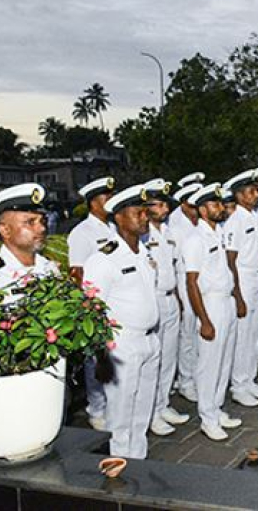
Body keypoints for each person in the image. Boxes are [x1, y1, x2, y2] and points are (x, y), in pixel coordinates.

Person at [83, 184, 160, 459]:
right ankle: (117, 465)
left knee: (142, 412)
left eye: (145, 212)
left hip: (150, 339)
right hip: (121, 342)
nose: (144, 217)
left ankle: (137, 460)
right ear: (118, 217)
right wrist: (101, 356)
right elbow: (91, 308)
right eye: (137, 212)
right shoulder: (104, 259)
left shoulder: (144, 252)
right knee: (121, 415)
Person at [181, 183, 243, 441]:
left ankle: (217, 408)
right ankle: (207, 416)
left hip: (225, 301)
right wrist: (204, 319)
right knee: (209, 363)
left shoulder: (218, 233)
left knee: (225, 359)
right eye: (215, 204)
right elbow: (191, 282)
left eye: (220, 204)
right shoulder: (195, 240)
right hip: (211, 304)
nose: (221, 208)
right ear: (203, 209)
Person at [141, 179, 190, 437]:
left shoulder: (167, 232)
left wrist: (180, 300)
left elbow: (176, 268)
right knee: (154, 359)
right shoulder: (141, 234)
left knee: (169, 357)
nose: (164, 209)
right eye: (158, 204)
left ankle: (162, 404)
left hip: (171, 297)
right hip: (154, 299)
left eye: (165, 204)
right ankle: (150, 412)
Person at [67, 176, 116, 431]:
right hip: (95, 303)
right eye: (105, 197)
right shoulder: (82, 233)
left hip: (116, 300)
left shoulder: (115, 228)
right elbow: (77, 273)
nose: (110, 200)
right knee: (95, 359)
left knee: (112, 356)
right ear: (92, 202)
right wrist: (87, 308)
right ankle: (96, 409)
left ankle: (112, 405)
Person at [224, 167, 258, 407]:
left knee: (254, 333)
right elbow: (230, 260)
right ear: (240, 195)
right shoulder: (235, 221)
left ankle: (250, 380)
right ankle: (239, 385)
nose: (257, 195)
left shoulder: (255, 217)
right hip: (241, 278)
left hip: (254, 277)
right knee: (242, 336)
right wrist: (238, 295)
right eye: (252, 191)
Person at [0, 183, 59, 297]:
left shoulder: (49, 267)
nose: (42, 228)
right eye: (30, 222)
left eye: (43, 221)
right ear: (5, 230)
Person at [168, 181, 203, 403]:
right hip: (183, 278)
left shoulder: (198, 222)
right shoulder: (176, 224)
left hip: (200, 278)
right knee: (187, 333)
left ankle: (195, 375)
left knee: (197, 331)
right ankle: (186, 380)